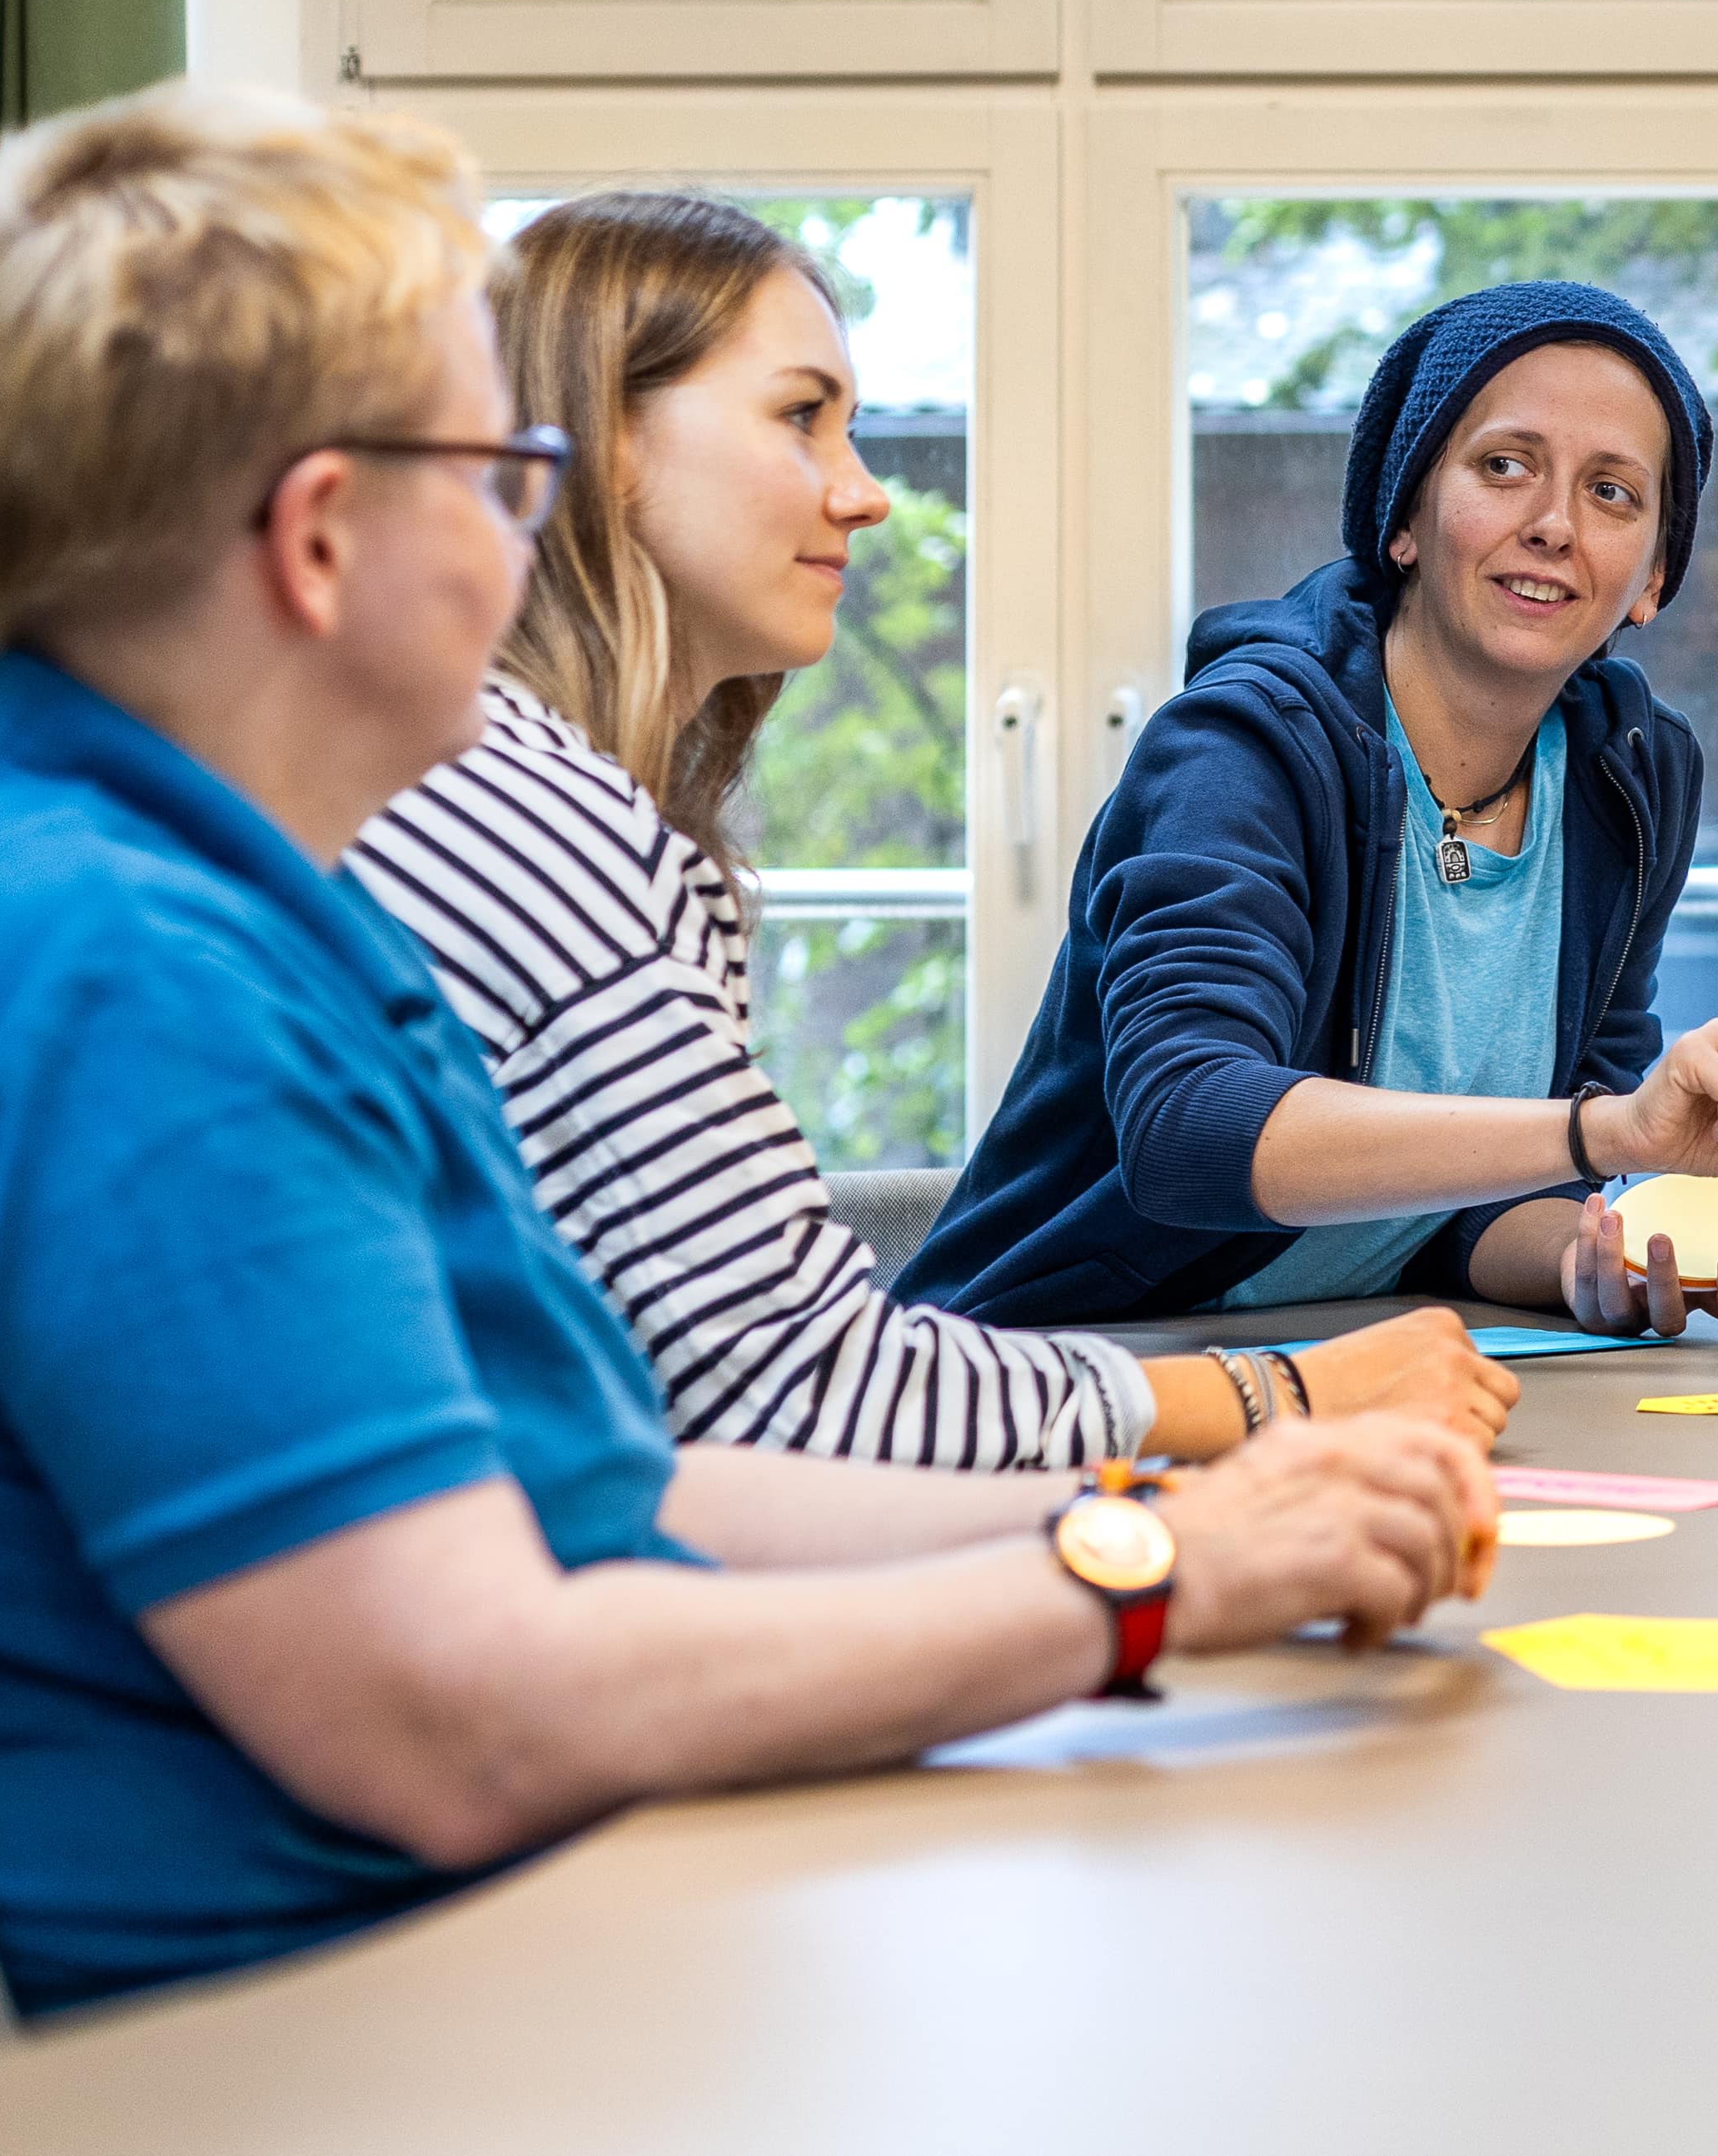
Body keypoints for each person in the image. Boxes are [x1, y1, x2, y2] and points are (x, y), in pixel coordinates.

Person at [0, 86, 1489, 2019]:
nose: (535, 525)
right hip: (342, 2021)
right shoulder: (136, 976)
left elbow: (640, 1484)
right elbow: (461, 1718)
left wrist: (1165, 1520)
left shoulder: (260, 918)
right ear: (326, 539)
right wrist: (1143, 1583)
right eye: (501, 468)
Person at [346, 192, 1516, 1467]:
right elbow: (796, 1390)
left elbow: (690, 1392)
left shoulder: (538, 806)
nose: (865, 496)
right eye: (802, 417)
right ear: (599, 441)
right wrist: (1275, 1399)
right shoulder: (535, 833)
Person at [903, 281, 1718, 1337]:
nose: (1552, 525)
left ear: (1652, 577)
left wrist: (1597, 1261)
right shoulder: (1242, 747)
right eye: (1505, 465)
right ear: (1404, 514)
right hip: (1069, 1357)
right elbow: (1188, 1131)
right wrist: (1607, 1133)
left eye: (1614, 493)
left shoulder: (1630, 774)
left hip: (1365, 1354)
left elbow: (1479, 1204)